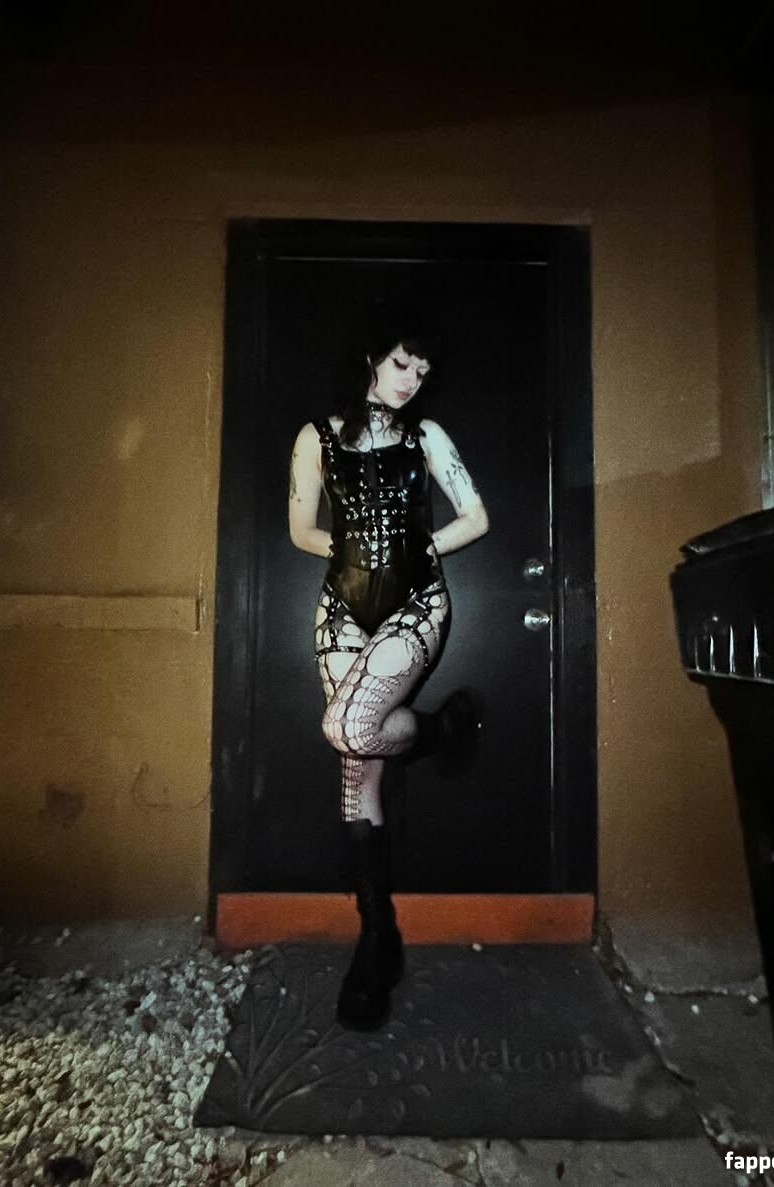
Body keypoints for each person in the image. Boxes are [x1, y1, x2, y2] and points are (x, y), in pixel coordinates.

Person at [287, 308, 489, 1030]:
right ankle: (378, 941)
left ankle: (436, 732)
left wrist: (417, 549)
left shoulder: (425, 435)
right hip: (342, 604)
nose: (410, 381)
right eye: (403, 363)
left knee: (347, 725)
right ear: (374, 356)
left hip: (416, 600)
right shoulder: (316, 437)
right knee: (356, 767)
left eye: (422, 372)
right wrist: (350, 550)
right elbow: (301, 530)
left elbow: (476, 518)